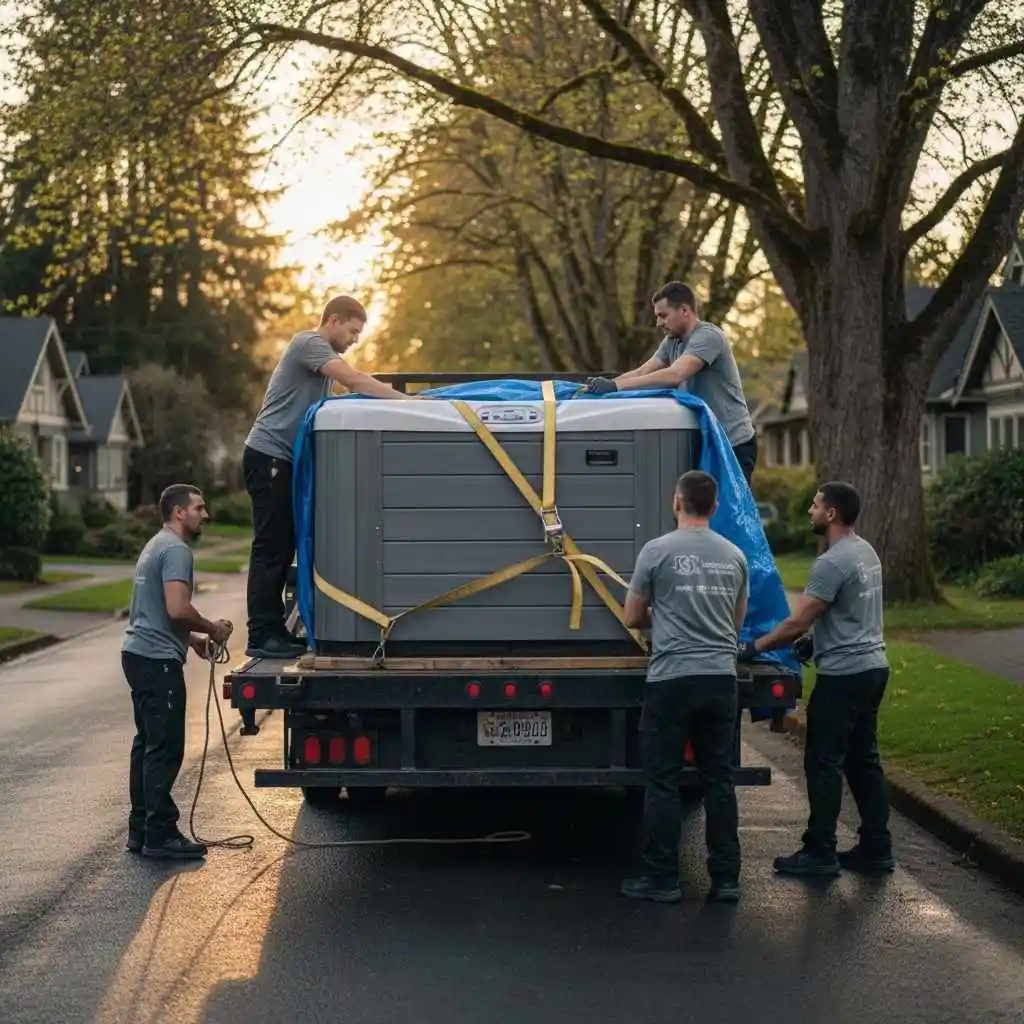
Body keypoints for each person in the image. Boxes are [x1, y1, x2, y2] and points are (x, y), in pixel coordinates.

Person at [243, 296, 418, 658]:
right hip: (269, 456)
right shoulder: (308, 343)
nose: (355, 340)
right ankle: (261, 635)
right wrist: (408, 403)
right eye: (353, 332)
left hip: (283, 460)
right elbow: (354, 381)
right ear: (334, 320)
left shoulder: (318, 363)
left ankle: (274, 630)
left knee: (284, 546)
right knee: (271, 549)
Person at [738, 480, 892, 877]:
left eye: (815, 505)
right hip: (873, 668)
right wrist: (814, 643)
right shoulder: (866, 552)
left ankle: (820, 850)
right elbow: (846, 614)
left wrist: (754, 647)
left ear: (832, 514)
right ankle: (877, 849)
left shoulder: (833, 561)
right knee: (863, 761)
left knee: (823, 762)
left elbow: (796, 621)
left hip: (843, 676)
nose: (810, 511)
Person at [620, 470, 748, 904]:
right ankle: (726, 879)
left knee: (662, 782)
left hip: (671, 678)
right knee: (718, 781)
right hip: (719, 679)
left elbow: (632, 616)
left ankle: (662, 879)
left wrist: (667, 616)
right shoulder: (734, 556)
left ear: (677, 502)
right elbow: (736, 621)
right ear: (713, 507)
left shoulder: (656, 551)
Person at [122, 484, 233, 860]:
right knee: (165, 747)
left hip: (137, 655)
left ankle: (139, 830)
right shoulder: (176, 550)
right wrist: (211, 629)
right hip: (156, 662)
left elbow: (152, 610)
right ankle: (160, 834)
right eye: (199, 508)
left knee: (146, 744)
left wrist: (191, 642)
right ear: (179, 512)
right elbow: (176, 609)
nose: (206, 514)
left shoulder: (155, 544)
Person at [582, 282, 758, 482]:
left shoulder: (708, 337)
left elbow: (675, 374)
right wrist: (604, 387)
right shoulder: (672, 342)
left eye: (663, 315)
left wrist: (616, 386)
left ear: (684, 310)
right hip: (706, 439)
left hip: (733, 443)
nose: (658, 323)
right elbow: (642, 372)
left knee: (731, 511)